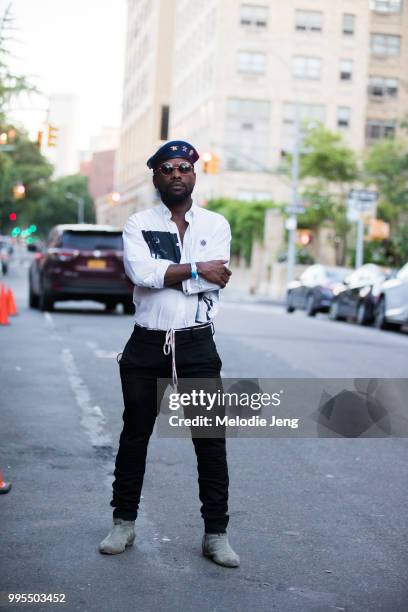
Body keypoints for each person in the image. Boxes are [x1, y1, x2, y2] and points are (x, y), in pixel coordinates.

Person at [99, 140, 240, 568]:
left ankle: (216, 534)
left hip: (196, 343)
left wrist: (172, 275)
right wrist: (196, 270)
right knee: (134, 435)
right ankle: (123, 522)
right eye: (166, 169)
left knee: (210, 441)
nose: (176, 174)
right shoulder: (139, 222)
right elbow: (142, 273)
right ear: (156, 178)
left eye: (183, 167)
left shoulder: (215, 224)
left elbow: (219, 278)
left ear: (194, 174)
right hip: (147, 342)